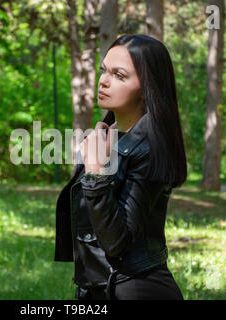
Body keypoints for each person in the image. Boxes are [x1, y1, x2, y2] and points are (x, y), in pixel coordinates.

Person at [54, 34, 187, 300]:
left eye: (119, 75)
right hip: (100, 288)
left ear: (146, 86)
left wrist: (94, 172)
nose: (103, 80)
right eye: (104, 70)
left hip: (135, 289)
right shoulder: (108, 139)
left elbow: (116, 242)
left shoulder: (150, 146)